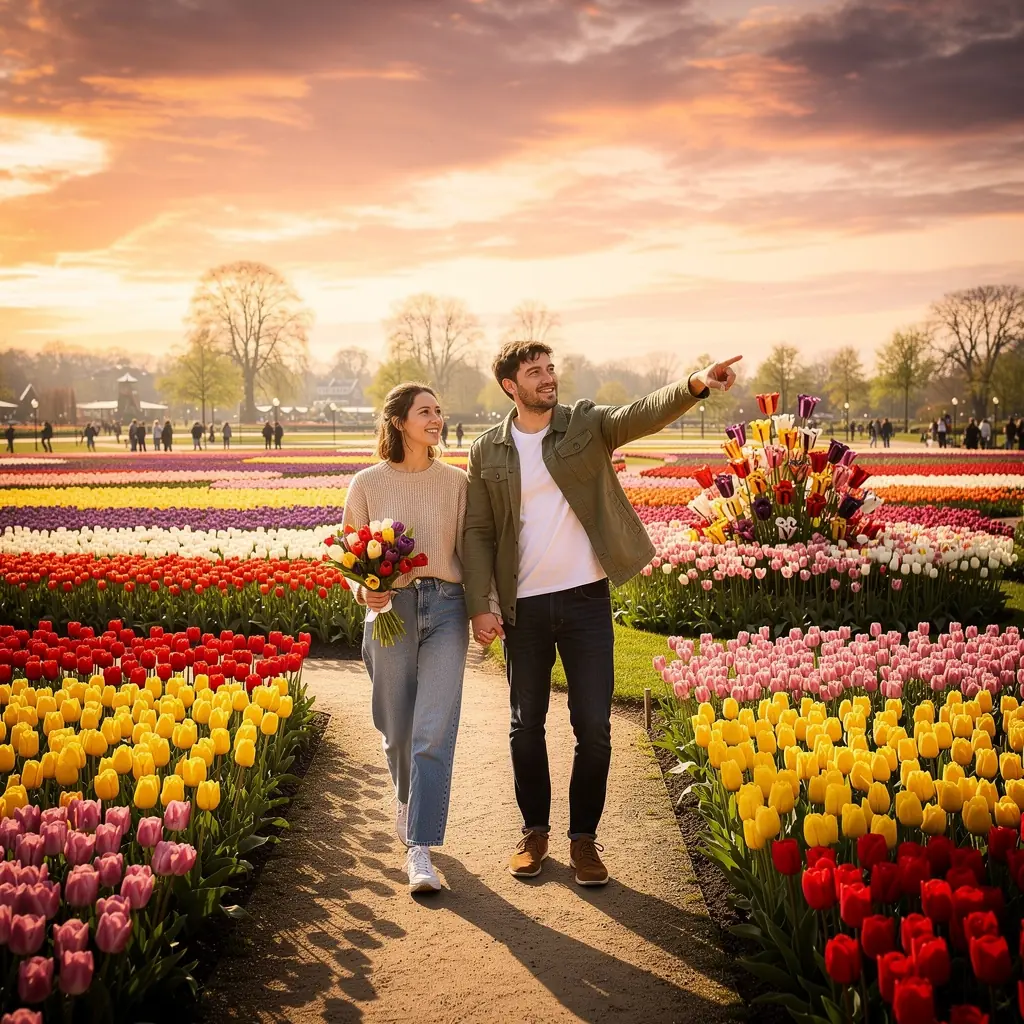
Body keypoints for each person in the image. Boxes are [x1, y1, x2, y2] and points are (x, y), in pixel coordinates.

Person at [464, 342, 740, 887]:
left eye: (550, 369)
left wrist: (696, 383)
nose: (548, 378)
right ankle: (534, 832)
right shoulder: (487, 450)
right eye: (534, 372)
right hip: (524, 608)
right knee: (525, 725)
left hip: (587, 601)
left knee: (593, 727)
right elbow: (477, 530)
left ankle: (583, 839)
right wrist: (479, 606)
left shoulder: (585, 424)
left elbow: (640, 413)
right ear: (510, 386)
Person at [342, 383, 469, 894]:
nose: (436, 419)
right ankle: (406, 795)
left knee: (432, 730)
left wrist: (487, 609)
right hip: (390, 610)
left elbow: (472, 553)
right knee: (397, 730)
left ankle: (420, 848)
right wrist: (364, 589)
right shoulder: (366, 484)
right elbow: (351, 555)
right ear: (399, 422)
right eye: (425, 412)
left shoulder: (457, 483)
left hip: (448, 608)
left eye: (439, 411)